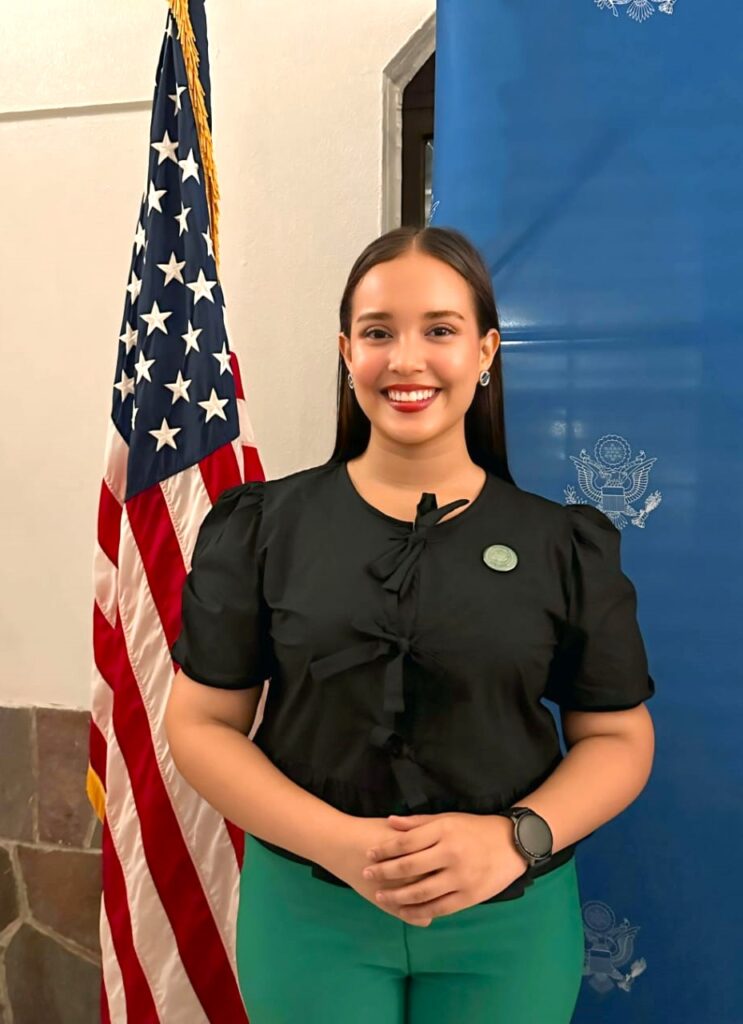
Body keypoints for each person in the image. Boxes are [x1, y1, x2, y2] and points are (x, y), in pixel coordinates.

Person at [164, 225, 656, 1024]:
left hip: (510, 919)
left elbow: (618, 737)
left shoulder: (561, 543)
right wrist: (338, 843)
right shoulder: (261, 527)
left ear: (485, 351)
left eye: (439, 330)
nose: (406, 360)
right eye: (377, 333)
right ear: (345, 352)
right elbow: (199, 725)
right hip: (308, 914)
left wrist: (514, 839)